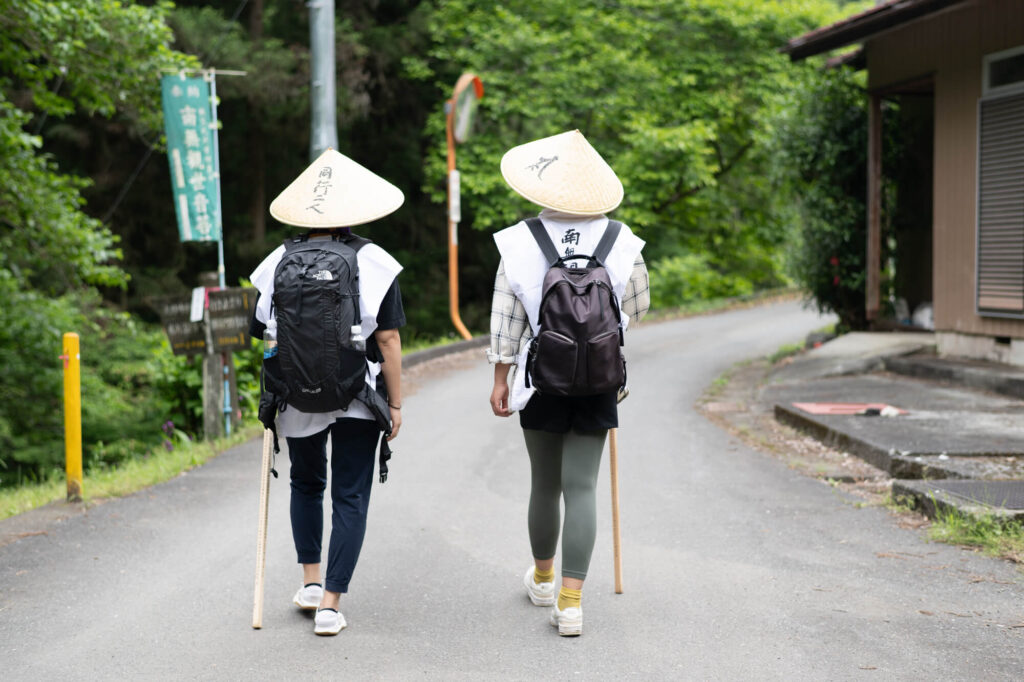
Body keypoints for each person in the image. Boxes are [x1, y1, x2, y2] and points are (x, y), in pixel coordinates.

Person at [487, 130, 649, 636]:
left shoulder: (519, 241)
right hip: (599, 379)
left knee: (545, 482)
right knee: (583, 487)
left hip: (541, 378)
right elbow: (637, 307)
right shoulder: (621, 240)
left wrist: (500, 377)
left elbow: (504, 320)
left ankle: (541, 579)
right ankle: (572, 603)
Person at [249, 149, 405, 636]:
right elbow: (389, 340)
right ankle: (331, 606)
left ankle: (311, 582)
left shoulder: (276, 261)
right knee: (350, 496)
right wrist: (395, 403)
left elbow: (263, 331)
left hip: (297, 393)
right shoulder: (375, 260)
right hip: (357, 393)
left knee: (305, 484)